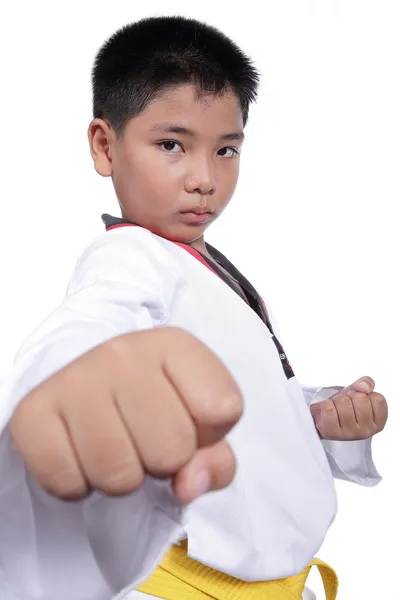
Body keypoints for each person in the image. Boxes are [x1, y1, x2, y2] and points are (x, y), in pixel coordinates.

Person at [0, 15, 388, 600]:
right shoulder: (129, 262)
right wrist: (65, 386)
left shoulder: (205, 270)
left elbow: (251, 415)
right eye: (172, 145)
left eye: (226, 150)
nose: (205, 178)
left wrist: (320, 419)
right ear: (106, 146)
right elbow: (85, 332)